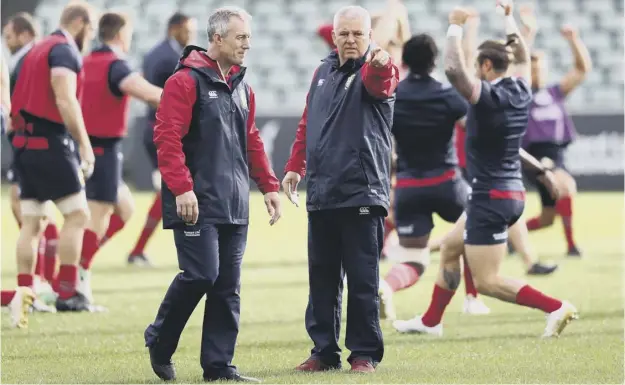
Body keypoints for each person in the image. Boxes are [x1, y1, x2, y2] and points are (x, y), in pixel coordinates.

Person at [393, 3, 577, 338]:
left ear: (487, 65)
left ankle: (556, 306)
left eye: (478, 65)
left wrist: (454, 27)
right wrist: (509, 18)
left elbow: (452, 69)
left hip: (491, 197)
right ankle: (431, 321)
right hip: (505, 193)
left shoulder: (488, 97)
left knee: (488, 281)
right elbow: (522, 52)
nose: (475, 71)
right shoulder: (522, 87)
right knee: (450, 248)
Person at [144, 6, 281, 382]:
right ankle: (159, 337)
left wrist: (268, 185)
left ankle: (219, 367)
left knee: (227, 287)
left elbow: (251, 139)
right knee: (202, 274)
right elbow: (167, 138)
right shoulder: (184, 82)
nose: (246, 45)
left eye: (248, 38)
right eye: (240, 37)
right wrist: (182, 188)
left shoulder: (243, 85)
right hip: (195, 201)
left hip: (234, 201)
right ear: (217, 39)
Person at [283, 5, 398, 373]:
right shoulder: (322, 71)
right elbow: (308, 123)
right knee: (322, 279)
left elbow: (383, 80)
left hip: (361, 191)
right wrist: (294, 167)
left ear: (369, 36)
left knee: (363, 279)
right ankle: (323, 351)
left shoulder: (374, 69)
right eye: (344, 34)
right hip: (322, 192)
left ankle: (364, 354)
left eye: (358, 34)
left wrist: (381, 62)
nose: (350, 40)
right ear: (334, 36)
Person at [378, 32, 491, 322]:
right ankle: (472, 298)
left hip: (409, 186)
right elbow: (474, 129)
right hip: (447, 182)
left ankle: (387, 286)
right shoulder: (447, 94)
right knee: (471, 232)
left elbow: (381, 140)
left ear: (404, 60)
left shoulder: (393, 95)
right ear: (434, 61)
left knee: (414, 259)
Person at [10, 0, 97, 312]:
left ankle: (25, 294)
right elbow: (65, 98)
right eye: (90, 29)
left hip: (23, 143)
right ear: (80, 23)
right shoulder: (63, 49)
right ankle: (68, 292)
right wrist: (84, 144)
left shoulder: (34, 49)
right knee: (78, 215)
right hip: (49, 142)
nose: (90, 35)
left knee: (31, 222)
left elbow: (13, 104)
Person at [76, 12, 163, 304]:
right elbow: (148, 93)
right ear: (118, 34)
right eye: (128, 32)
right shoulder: (115, 64)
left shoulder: (85, 60)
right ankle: (78, 281)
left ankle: (77, 262)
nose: (130, 38)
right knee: (97, 217)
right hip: (103, 149)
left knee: (124, 209)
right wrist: (187, 96)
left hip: (88, 146)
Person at [518, 6, 591, 257]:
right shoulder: (521, 93)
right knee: (566, 184)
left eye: (541, 66)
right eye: (532, 66)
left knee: (548, 218)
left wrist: (574, 40)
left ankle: (509, 239)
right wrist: (529, 33)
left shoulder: (554, 93)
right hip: (532, 157)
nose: (537, 70)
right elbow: (517, 61)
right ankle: (571, 247)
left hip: (555, 154)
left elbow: (581, 70)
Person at [128, 12, 197, 266]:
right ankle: (139, 251)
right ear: (175, 29)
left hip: (154, 128)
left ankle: (139, 250)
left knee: (169, 190)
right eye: (188, 30)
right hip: (164, 132)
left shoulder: (156, 52)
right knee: (178, 189)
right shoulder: (170, 58)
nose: (191, 36)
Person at [3, 13, 61, 302]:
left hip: (30, 142)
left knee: (32, 213)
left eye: (9, 36)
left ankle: (41, 281)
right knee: (36, 213)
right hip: (35, 142)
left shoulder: (28, 59)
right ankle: (42, 279)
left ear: (25, 34)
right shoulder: (33, 58)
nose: (7, 41)